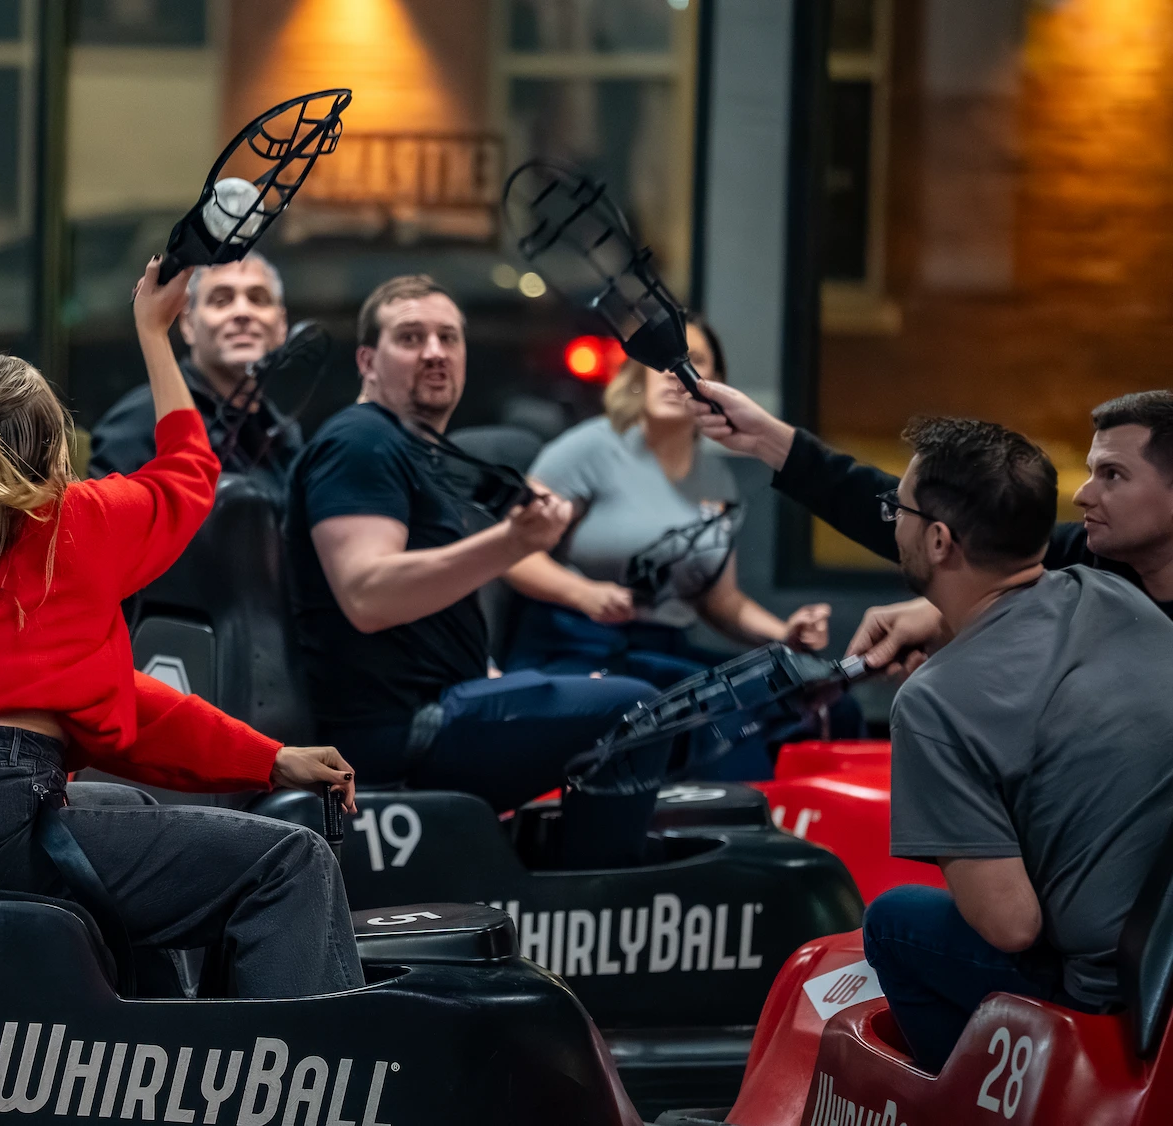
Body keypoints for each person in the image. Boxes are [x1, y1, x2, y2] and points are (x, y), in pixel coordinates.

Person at [0, 256, 363, 1000]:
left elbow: (128, 704)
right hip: (2, 820)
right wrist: (153, 331)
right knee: (291, 862)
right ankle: (321, 1097)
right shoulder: (76, 520)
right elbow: (191, 473)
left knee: (127, 810)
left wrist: (271, 759)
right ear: (58, 445)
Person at [853, 416, 1173, 1071]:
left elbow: (1011, 926)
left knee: (891, 920)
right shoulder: (1118, 595)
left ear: (939, 540)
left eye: (900, 509)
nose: (895, 522)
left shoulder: (933, 702)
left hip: (1105, 993)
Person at [284, 274, 656, 812]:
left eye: (448, 338)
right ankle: (604, 889)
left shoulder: (417, 451)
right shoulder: (359, 442)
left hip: (443, 700)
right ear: (367, 361)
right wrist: (512, 543)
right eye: (411, 338)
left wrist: (486, 671)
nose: (435, 353)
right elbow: (367, 596)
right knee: (635, 707)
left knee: (637, 695)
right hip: (401, 729)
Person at [502, 319, 857, 779]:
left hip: (662, 648)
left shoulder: (718, 482)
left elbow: (720, 601)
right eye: (662, 361)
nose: (674, 372)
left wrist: (784, 633)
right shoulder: (588, 450)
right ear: (639, 375)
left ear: (716, 388)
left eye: (694, 361)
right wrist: (583, 594)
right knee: (718, 716)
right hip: (578, 646)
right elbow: (513, 552)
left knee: (824, 703)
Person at [690, 385, 1173, 668]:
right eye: (1090, 472)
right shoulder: (1092, 558)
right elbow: (933, 519)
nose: (1082, 494)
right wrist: (768, 440)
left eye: (1112, 475)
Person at [88, 252, 304, 497]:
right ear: (187, 325)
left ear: (282, 325)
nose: (243, 312)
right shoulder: (142, 421)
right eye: (221, 300)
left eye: (258, 299)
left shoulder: (284, 433)